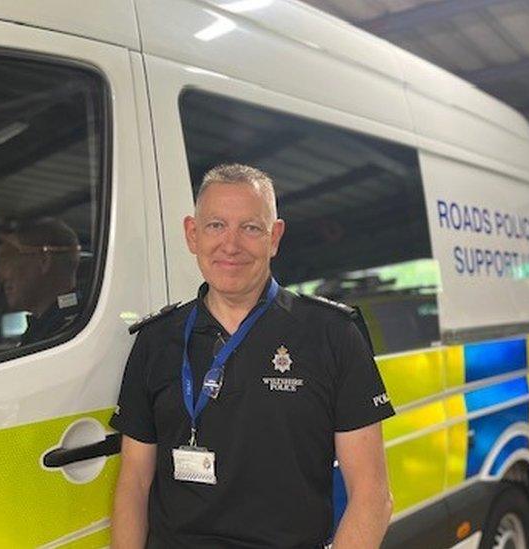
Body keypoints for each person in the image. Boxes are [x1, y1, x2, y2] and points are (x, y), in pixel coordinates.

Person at [109, 164, 395, 548]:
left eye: (250, 228)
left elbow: (373, 496)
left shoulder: (332, 335)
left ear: (274, 237)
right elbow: (134, 482)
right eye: (216, 226)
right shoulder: (156, 341)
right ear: (192, 234)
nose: (231, 245)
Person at [0, 217, 82, 346]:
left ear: (44, 260)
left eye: (9, 260)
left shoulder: (69, 333)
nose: (0, 277)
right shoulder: (49, 329)